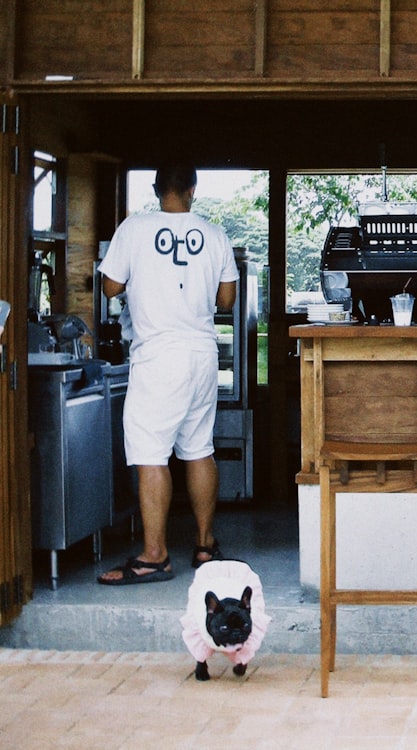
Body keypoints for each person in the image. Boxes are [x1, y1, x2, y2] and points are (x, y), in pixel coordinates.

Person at [97, 162, 239, 585]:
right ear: (193, 189)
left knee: (150, 453)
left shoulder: (134, 228)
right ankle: (204, 543)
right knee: (198, 448)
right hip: (201, 353)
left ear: (157, 190)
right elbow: (227, 300)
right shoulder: (214, 234)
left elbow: (109, 286)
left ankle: (155, 555)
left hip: (158, 355)